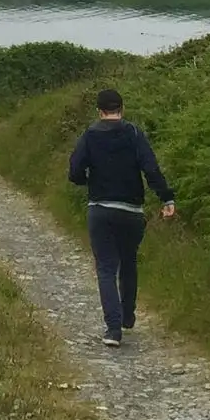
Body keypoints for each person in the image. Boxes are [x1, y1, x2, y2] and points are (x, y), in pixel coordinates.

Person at [67, 88, 176, 346]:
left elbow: (74, 172)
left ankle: (113, 330)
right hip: (131, 212)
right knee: (128, 262)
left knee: (106, 268)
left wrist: (89, 180)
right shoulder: (135, 134)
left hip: (100, 209)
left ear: (99, 111)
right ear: (122, 109)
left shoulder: (90, 136)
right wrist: (167, 198)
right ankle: (127, 315)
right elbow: (151, 169)